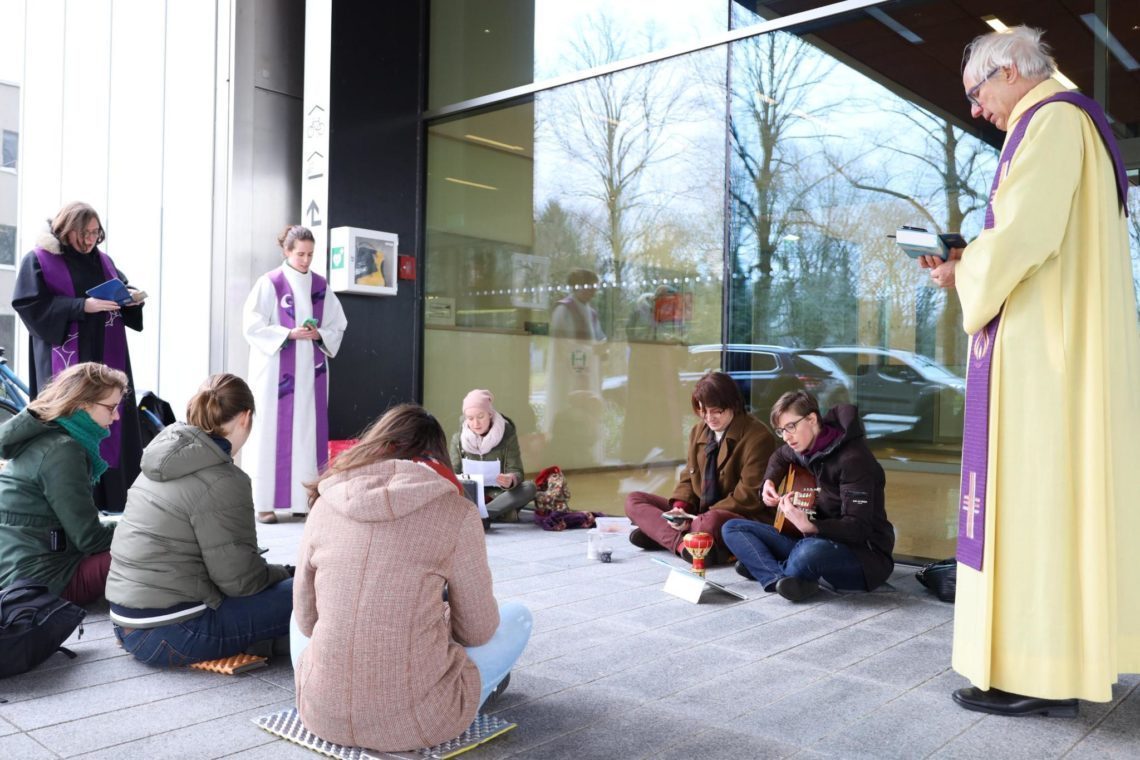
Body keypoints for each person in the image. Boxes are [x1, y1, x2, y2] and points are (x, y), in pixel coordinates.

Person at [922, 26, 1140, 716]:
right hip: (1050, 350)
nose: (976, 109)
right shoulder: (1066, 124)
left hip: (1047, 363)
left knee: (1037, 508)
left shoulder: (1051, 121)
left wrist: (964, 270)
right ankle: (1043, 665)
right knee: (1040, 509)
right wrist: (972, 259)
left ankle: (1041, 677)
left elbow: (1027, 235)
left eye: (977, 92)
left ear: (1012, 69)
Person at [291, 403, 532, 752]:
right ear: (436, 457)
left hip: (321, 714)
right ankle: (479, 686)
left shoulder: (325, 502)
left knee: (304, 609)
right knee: (518, 617)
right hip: (421, 721)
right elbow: (477, 631)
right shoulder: (456, 512)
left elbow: (307, 620)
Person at [105, 374, 293, 666]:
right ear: (245, 418)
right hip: (174, 631)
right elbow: (241, 582)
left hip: (126, 623)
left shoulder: (160, 458)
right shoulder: (223, 479)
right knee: (312, 588)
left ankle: (268, 641)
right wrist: (285, 573)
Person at [12, 202, 145, 512]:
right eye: (83, 233)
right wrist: (81, 307)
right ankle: (68, 502)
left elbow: (121, 289)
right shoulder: (39, 261)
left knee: (111, 423)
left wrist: (132, 298)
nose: (89, 241)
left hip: (106, 358)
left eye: (95, 233)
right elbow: (29, 304)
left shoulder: (105, 261)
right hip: (66, 362)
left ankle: (111, 500)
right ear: (65, 229)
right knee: (69, 420)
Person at [721, 391, 894, 602]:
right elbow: (779, 456)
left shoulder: (853, 460)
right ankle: (780, 578)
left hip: (863, 557)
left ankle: (767, 567)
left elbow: (859, 527)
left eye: (791, 427)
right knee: (732, 527)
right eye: (781, 430)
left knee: (808, 551)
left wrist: (811, 527)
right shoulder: (805, 448)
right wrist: (769, 481)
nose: (786, 437)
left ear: (811, 419)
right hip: (816, 540)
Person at [242, 224, 348, 524]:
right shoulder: (270, 283)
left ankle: (304, 499)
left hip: (310, 371)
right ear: (286, 251)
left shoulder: (320, 285)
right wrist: (288, 333)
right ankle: (264, 503)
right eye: (299, 253)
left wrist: (318, 333)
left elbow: (337, 325)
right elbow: (251, 325)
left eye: (310, 254)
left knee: (307, 429)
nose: (305, 259)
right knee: (269, 432)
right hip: (276, 371)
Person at [0, 362, 126, 604]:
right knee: (151, 543)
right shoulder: (63, 450)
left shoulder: (46, 438)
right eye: (111, 408)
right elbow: (90, 539)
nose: (117, 416)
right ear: (82, 404)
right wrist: (140, 526)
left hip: (21, 576)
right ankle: (142, 629)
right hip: (41, 586)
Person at [625, 371, 776, 564]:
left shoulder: (758, 436)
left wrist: (696, 519)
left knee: (708, 523)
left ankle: (663, 535)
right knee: (634, 500)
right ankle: (683, 545)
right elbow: (688, 477)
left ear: (733, 405)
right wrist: (680, 510)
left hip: (735, 516)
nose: (709, 418)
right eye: (703, 411)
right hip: (698, 512)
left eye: (716, 411)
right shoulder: (698, 431)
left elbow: (748, 496)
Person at [545, 268, 607, 468]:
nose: (594, 292)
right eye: (590, 287)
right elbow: (563, 345)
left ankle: (588, 455)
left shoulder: (591, 312)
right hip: (569, 373)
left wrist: (602, 347)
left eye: (594, 288)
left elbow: (598, 337)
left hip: (588, 370)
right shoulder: (564, 310)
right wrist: (590, 350)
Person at [449, 389, 537, 526]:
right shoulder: (458, 439)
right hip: (470, 495)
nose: (476, 424)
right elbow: (452, 473)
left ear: (489, 414)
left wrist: (511, 479)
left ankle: (479, 516)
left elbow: (517, 471)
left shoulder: (507, 436)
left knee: (529, 488)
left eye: (480, 416)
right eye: (470, 418)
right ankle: (495, 515)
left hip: (499, 495)